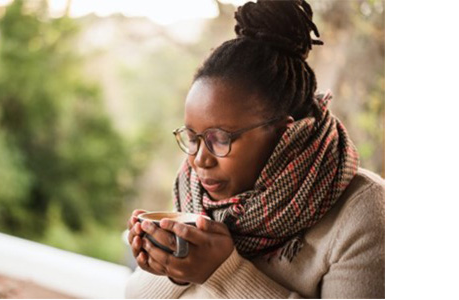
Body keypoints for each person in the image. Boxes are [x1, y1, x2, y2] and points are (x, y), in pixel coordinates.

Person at [125, 0, 385, 298]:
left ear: (287, 135)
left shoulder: (366, 214)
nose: (200, 160)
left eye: (220, 139)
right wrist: (170, 266)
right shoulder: (198, 196)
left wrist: (225, 272)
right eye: (193, 138)